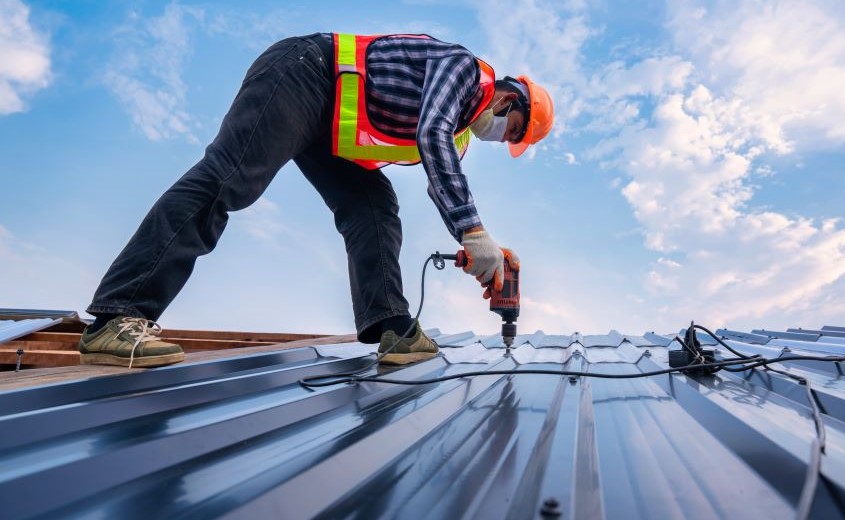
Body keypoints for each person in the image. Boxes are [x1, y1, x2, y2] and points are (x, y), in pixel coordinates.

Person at [77, 32, 554, 368]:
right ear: (510, 99)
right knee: (230, 179)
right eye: (510, 129)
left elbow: (441, 177)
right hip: (305, 71)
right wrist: (473, 230)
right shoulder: (465, 71)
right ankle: (118, 316)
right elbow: (431, 135)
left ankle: (393, 327)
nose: (499, 136)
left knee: (374, 208)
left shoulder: (462, 129)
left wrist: (477, 243)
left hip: (328, 128)